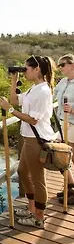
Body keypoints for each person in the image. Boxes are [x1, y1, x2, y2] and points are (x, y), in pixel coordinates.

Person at [0, 55, 57, 228]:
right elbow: (15, 100)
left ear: (37, 69)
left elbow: (33, 120)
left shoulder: (43, 91)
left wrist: (10, 110)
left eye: (26, 69)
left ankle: (38, 218)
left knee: (38, 179)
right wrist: (14, 81)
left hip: (37, 140)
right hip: (28, 138)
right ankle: (32, 208)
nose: (24, 72)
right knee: (23, 172)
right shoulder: (34, 88)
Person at [54, 54, 74, 202]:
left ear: (72, 66)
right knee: (59, 155)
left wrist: (73, 109)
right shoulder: (62, 82)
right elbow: (51, 96)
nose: (60, 67)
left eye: (62, 65)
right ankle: (70, 185)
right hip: (63, 123)